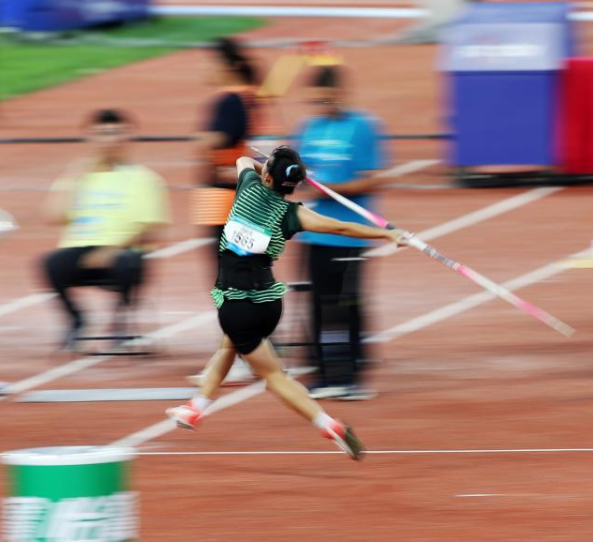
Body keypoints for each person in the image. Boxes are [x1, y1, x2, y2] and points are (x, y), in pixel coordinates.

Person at [165, 147, 410, 460]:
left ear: (266, 175)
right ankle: (194, 408)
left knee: (273, 375)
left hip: (236, 304)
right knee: (231, 346)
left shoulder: (249, 187)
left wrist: (269, 164)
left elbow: (243, 160)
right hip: (268, 303)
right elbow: (341, 227)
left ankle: (328, 424)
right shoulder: (293, 214)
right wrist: (388, 235)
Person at [291, 65, 388, 400]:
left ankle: (353, 375)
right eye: (315, 102)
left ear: (340, 94)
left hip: (349, 233)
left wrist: (334, 189)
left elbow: (375, 178)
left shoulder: (362, 126)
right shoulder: (308, 128)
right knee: (317, 304)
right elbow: (299, 175)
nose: (321, 107)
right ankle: (322, 373)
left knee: (347, 303)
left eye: (326, 100)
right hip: (314, 231)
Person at [41, 109, 171, 350]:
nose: (109, 140)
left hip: (124, 251)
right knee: (51, 263)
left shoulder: (144, 178)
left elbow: (150, 228)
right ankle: (76, 320)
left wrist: (111, 250)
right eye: (102, 134)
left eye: (115, 133)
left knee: (127, 261)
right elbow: (53, 215)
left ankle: (119, 321)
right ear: (90, 138)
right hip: (80, 249)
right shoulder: (79, 177)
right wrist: (75, 174)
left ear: (127, 138)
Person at [189, 37, 264, 386]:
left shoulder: (230, 100)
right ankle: (247, 349)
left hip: (225, 201)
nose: (204, 69)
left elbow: (214, 143)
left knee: (228, 283)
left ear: (228, 65)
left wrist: (201, 140)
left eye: (210, 62)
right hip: (225, 198)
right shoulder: (244, 96)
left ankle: (241, 353)